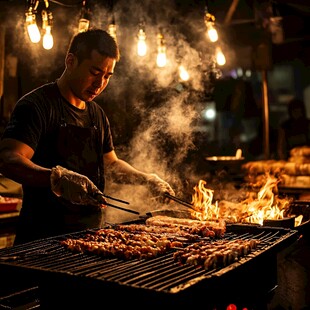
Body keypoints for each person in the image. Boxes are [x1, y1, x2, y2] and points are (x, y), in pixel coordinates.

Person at [0, 28, 175, 245]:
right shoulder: (37, 106)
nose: (100, 83)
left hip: (88, 239)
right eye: (94, 72)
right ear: (70, 61)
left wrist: (146, 179)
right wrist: (57, 178)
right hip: (41, 240)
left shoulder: (97, 115)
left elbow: (110, 164)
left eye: (107, 76)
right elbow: (7, 159)